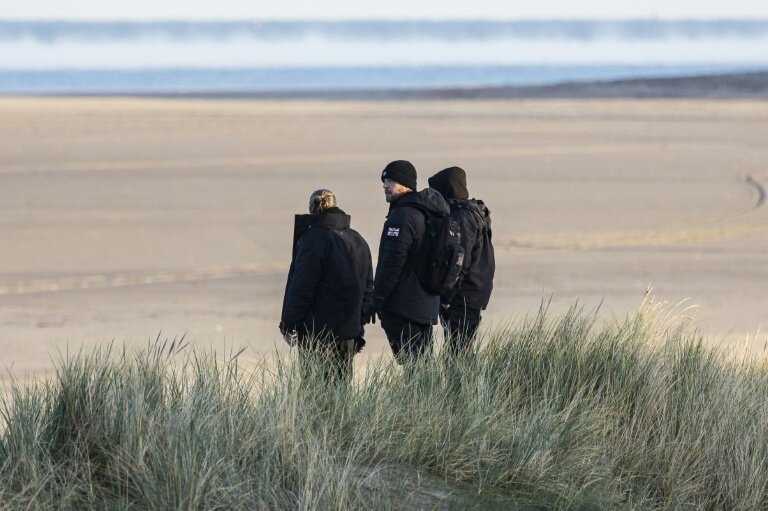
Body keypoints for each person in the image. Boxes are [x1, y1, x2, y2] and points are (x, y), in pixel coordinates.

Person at [280, 189, 373, 384]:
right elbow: (367, 288)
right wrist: (358, 324)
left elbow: (302, 288)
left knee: (314, 391)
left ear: (313, 209)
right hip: (348, 332)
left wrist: (289, 323)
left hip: (316, 332)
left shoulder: (313, 239)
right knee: (341, 391)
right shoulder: (358, 240)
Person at [364, 160, 451, 367]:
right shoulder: (426, 212)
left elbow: (392, 263)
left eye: (391, 181)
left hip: (405, 306)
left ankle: (421, 401)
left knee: (415, 369)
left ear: (405, 185)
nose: (385, 185)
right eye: (384, 180)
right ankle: (430, 400)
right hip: (426, 305)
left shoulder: (403, 216)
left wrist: (376, 301)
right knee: (423, 368)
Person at [428, 166, 495, 355]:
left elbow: (459, 261)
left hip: (463, 296)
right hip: (473, 291)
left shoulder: (462, 217)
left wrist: (447, 296)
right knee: (461, 349)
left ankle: (458, 385)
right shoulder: (473, 213)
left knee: (457, 353)